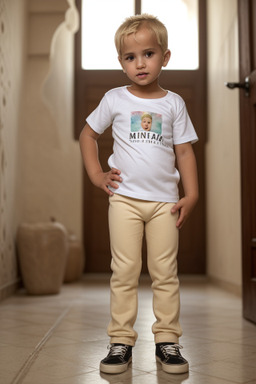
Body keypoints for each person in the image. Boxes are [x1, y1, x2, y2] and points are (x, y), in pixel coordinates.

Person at [79, 14, 199, 375]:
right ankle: (120, 342)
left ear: (165, 57)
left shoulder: (174, 103)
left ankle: (168, 341)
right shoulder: (114, 99)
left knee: (165, 272)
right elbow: (87, 135)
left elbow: (184, 152)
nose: (140, 63)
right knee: (125, 271)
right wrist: (97, 174)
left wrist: (191, 194)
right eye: (130, 57)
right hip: (125, 201)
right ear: (121, 63)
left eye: (148, 53)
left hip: (165, 202)